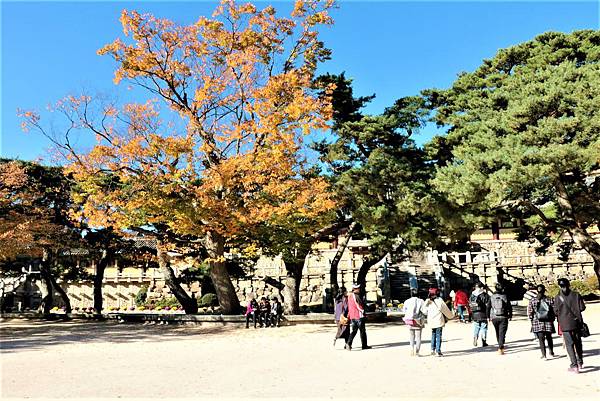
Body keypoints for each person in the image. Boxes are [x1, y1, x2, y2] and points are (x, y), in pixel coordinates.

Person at [553, 278, 586, 373]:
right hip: (576, 322)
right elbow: (582, 308)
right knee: (578, 343)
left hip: (564, 323)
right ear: (569, 284)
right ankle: (580, 362)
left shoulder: (557, 297)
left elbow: (555, 311)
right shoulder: (576, 295)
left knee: (569, 344)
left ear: (559, 286)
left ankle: (574, 365)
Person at [422, 287, 454, 357]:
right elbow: (445, 309)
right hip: (438, 320)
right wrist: (451, 316)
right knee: (439, 335)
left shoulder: (427, 301)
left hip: (431, 320)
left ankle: (432, 350)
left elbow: (424, 311)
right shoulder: (439, 300)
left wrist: (429, 313)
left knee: (433, 334)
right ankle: (438, 351)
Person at [527, 284, 556, 360]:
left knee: (541, 338)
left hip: (537, 321)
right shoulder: (549, 299)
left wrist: (531, 319)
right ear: (544, 290)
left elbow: (530, 312)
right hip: (548, 321)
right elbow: (554, 310)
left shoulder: (532, 300)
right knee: (549, 337)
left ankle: (544, 355)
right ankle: (551, 352)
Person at [487, 282, 512, 355]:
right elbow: (509, 307)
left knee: (497, 331)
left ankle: (500, 344)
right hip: (503, 317)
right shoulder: (505, 296)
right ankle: (501, 347)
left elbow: (488, 307)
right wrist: (510, 315)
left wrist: (488, 316)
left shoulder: (491, 297)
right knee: (502, 332)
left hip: (494, 317)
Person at [346, 283, 371, 351]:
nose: (359, 289)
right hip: (359, 316)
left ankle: (348, 343)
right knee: (362, 331)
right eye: (357, 288)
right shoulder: (356, 296)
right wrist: (363, 312)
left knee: (354, 331)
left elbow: (349, 306)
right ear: (354, 289)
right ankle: (364, 345)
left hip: (353, 317)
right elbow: (358, 306)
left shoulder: (349, 296)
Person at [402, 288, 425, 356]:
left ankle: (411, 350)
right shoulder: (421, 301)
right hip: (418, 320)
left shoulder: (407, 301)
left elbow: (404, 311)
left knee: (411, 336)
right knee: (418, 337)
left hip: (409, 320)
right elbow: (424, 311)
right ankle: (417, 352)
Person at [470, 282, 490, 347]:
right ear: (481, 287)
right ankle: (484, 341)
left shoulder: (472, 295)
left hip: (475, 314)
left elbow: (470, 304)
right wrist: (488, 315)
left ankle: (475, 337)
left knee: (476, 327)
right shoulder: (485, 295)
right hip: (483, 313)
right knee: (484, 328)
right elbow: (488, 305)